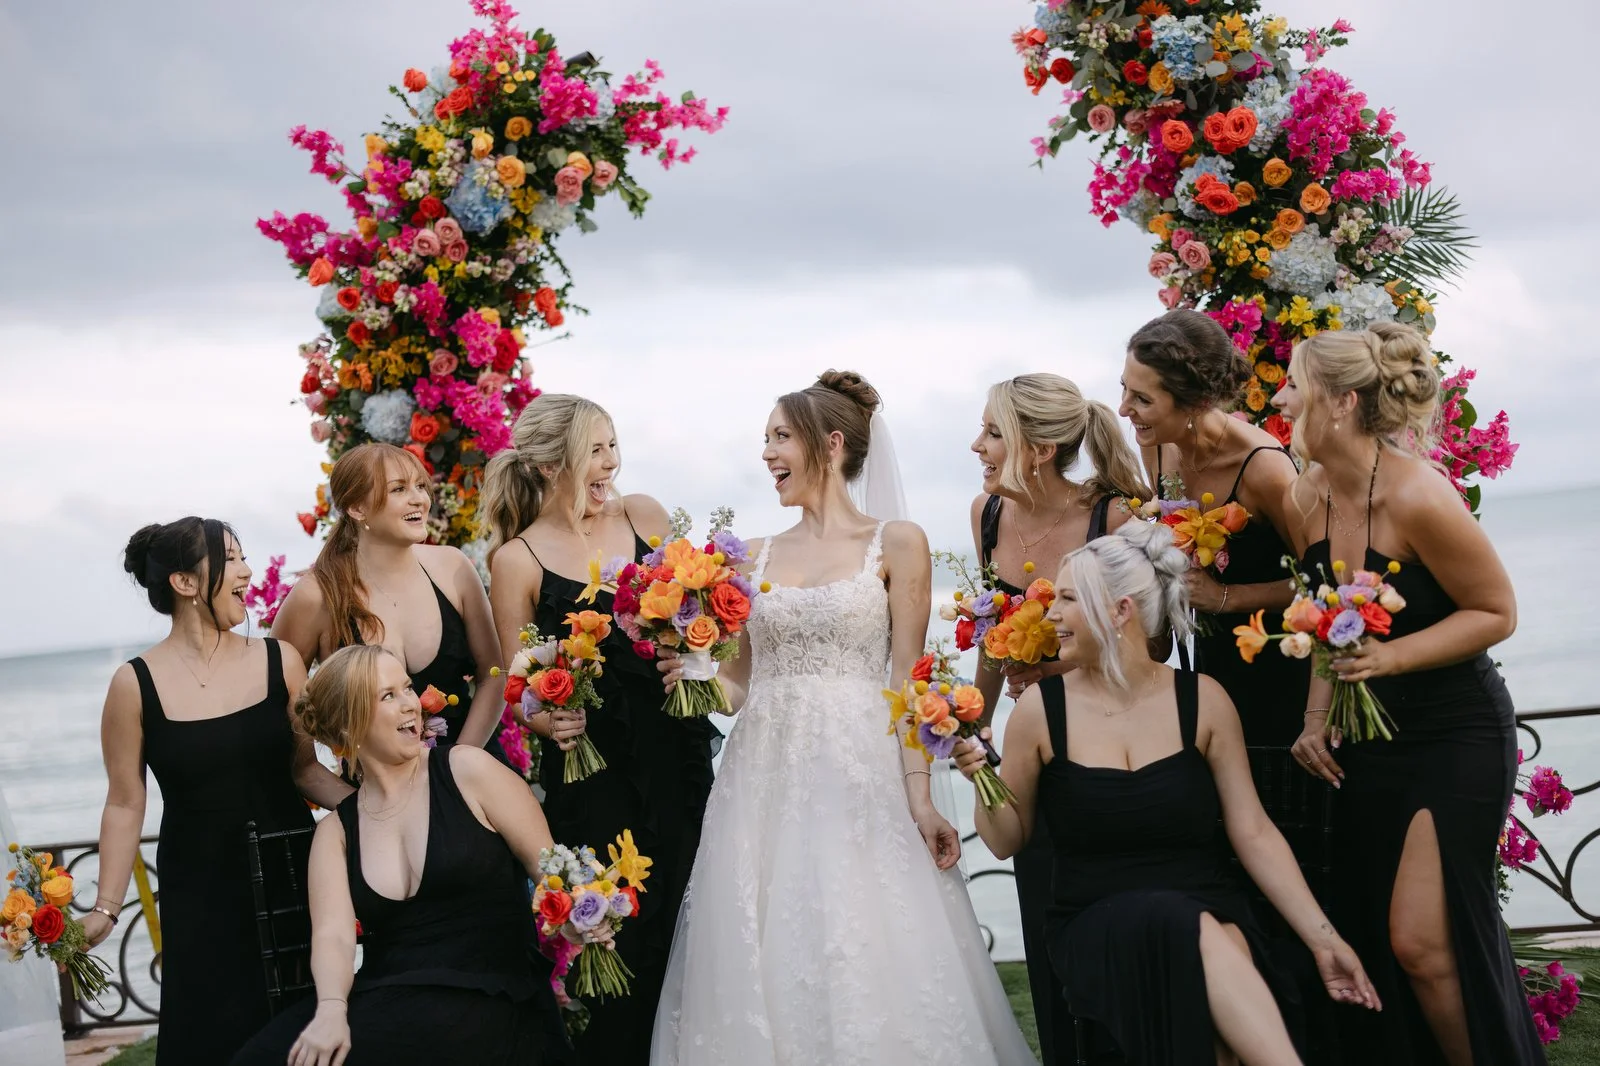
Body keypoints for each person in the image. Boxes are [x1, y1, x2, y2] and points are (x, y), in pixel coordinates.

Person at [650, 371, 1034, 1065]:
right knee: (759, 937)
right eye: (765, 439)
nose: (766, 453)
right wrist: (695, 676)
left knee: (866, 934)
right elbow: (738, 687)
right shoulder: (752, 554)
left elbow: (907, 680)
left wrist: (921, 798)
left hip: (861, 775)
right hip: (760, 779)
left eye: (780, 437)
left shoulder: (898, 542)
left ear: (830, 444)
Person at [955, 522, 1379, 1064]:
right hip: (1095, 919)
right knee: (1193, 934)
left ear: (1120, 610)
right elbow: (1004, 841)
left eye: (1067, 599)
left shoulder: (1204, 700)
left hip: (1207, 904)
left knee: (1212, 975)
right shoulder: (1040, 710)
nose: (1050, 614)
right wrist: (982, 780)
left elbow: (1253, 832)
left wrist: (1324, 939)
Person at [1275, 324, 1546, 1064]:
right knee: (1384, 939)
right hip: (1368, 745)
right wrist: (1315, 718)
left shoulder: (1419, 495)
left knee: (1421, 943)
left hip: (1454, 735)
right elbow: (1327, 618)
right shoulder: (1306, 494)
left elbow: (1496, 612)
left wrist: (1391, 659)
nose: (1281, 399)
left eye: (1294, 384)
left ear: (1341, 401)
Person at [483, 393, 717, 1065]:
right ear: (550, 463)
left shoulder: (644, 514)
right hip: (594, 778)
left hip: (677, 755)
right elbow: (516, 690)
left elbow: (697, 612)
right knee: (624, 945)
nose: (611, 463)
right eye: (595, 449)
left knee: (699, 924)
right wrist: (548, 716)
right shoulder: (517, 560)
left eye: (613, 445)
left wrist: (695, 655)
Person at [84, 518, 349, 1066]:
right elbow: (125, 801)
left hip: (290, 876)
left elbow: (306, 771)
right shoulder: (133, 685)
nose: (248, 571)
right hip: (198, 895)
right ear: (184, 582)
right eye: (231, 559)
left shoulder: (281, 661)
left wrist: (383, 807)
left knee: (304, 1034)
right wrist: (105, 910)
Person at [231, 644, 571, 1066]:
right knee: (262, 1058)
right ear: (350, 726)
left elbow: (549, 868)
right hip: (390, 993)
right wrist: (332, 1010)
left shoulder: (469, 770)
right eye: (388, 696)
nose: (411, 703)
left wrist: (585, 916)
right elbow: (333, 936)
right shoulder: (337, 832)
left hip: (495, 994)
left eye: (407, 687)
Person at [967, 372, 1147, 1064]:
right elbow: (992, 631)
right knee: (1047, 925)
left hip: (1114, 748)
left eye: (993, 433)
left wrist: (1054, 669)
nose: (977, 445)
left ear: (1039, 450)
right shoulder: (987, 515)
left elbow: (1150, 649)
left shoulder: (1114, 522)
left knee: (1112, 929)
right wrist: (975, 719)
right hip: (1035, 746)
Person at [1120, 310, 1306, 747]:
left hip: (1280, 666)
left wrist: (1225, 597)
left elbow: (1322, 583)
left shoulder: (1264, 469)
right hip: (1208, 667)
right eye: (1124, 388)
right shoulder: (1159, 446)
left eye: (1142, 399)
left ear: (1195, 402)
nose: (1125, 409)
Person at [273, 443, 509, 766]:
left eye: (420, 486)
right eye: (399, 489)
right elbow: (280, 704)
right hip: (377, 785)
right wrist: (319, 778)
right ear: (357, 508)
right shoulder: (317, 596)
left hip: (473, 766)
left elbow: (494, 675)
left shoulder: (453, 568)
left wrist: (454, 767)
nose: (419, 499)